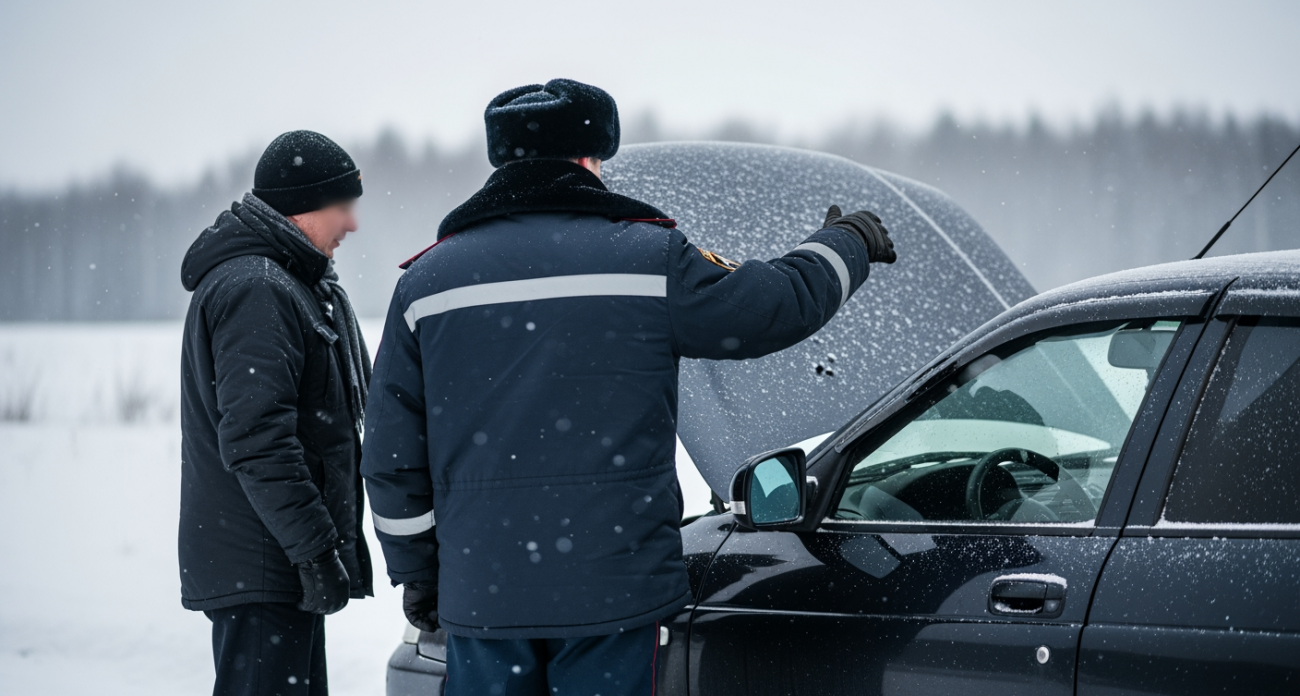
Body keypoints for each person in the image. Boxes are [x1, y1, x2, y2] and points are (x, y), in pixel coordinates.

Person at [361, 79, 897, 696]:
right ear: (591, 159)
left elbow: (391, 457)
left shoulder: (426, 284)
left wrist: (420, 575)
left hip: (483, 593)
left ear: (501, 160)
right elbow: (776, 307)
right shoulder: (648, 257)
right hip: (613, 590)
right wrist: (844, 244)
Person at [178, 130, 373, 696]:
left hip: (274, 562)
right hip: (265, 564)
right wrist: (314, 551)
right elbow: (259, 440)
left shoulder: (284, 282)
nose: (351, 224)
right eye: (342, 207)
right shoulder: (257, 288)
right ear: (302, 208)